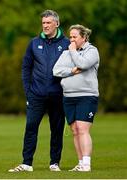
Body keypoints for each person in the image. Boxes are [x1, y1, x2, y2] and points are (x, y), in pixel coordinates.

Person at [8, 10, 70, 172]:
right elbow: (26, 68)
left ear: (57, 23)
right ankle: (27, 163)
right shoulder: (34, 43)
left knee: (56, 130)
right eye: (43, 23)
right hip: (36, 94)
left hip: (58, 94)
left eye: (48, 22)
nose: (45, 26)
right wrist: (28, 91)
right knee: (31, 127)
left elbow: (74, 68)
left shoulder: (67, 44)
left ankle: (54, 163)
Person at [53, 24, 100, 172]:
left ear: (84, 37)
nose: (71, 40)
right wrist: (72, 71)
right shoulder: (66, 53)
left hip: (87, 95)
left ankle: (86, 164)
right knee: (74, 130)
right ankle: (80, 163)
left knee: (82, 128)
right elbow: (56, 70)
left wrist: (73, 53)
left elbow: (83, 63)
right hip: (68, 96)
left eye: (75, 37)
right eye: (70, 37)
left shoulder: (92, 51)